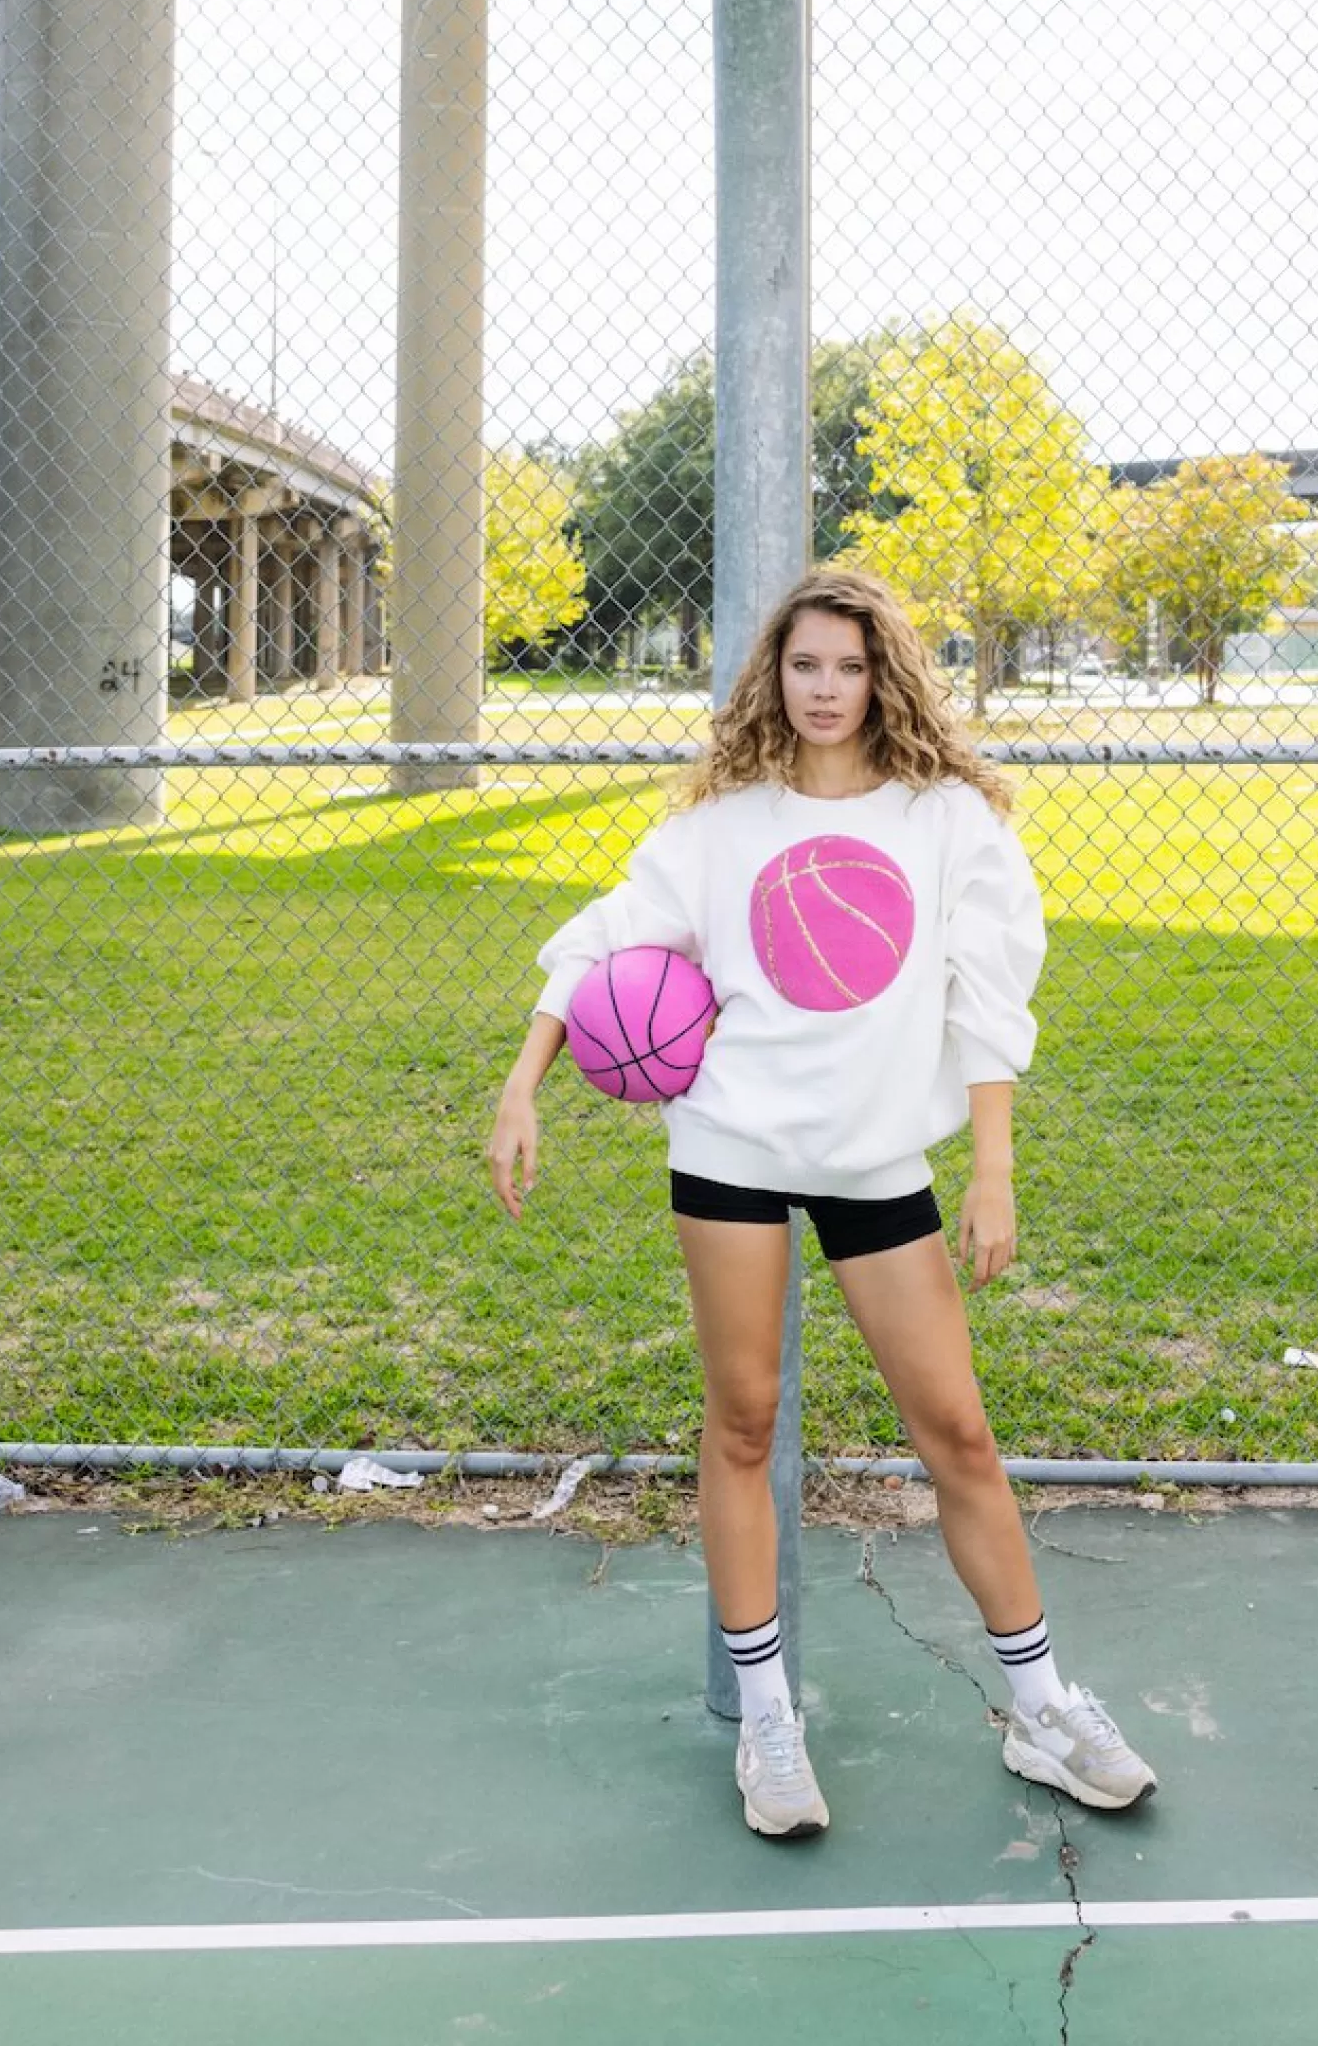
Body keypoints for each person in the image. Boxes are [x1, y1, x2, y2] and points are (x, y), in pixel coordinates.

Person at [488, 565, 1157, 1841]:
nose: (825, 690)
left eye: (849, 667)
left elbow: (987, 995)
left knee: (956, 1433)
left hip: (872, 1163)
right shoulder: (721, 824)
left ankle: (1043, 1707)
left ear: (883, 675)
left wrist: (994, 1168)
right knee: (741, 1424)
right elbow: (602, 940)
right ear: (772, 676)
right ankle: (768, 1721)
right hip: (730, 1146)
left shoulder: (946, 817)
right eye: (804, 666)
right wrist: (524, 1083)